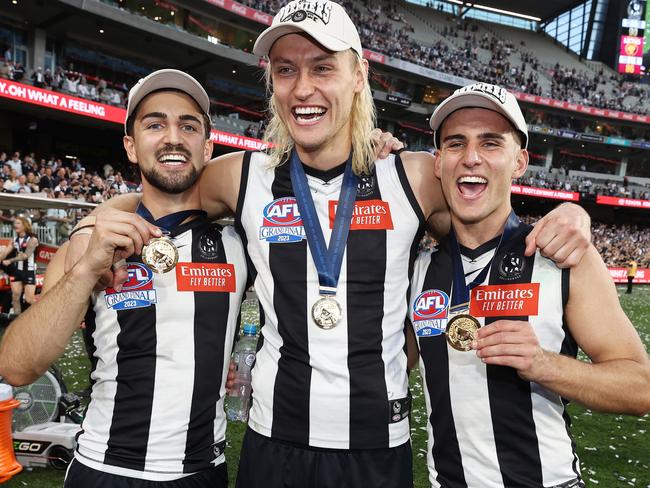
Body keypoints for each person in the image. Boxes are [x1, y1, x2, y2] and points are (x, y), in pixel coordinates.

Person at [67, 3, 591, 486]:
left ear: (358, 75)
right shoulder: (239, 177)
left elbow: (490, 215)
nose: (302, 88)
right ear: (272, 84)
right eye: (286, 70)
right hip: (274, 440)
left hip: (375, 446)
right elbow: (156, 193)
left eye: (322, 67)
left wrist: (572, 212)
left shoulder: (412, 175)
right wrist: (91, 221)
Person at [0, 69, 248, 487]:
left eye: (188, 126)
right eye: (155, 124)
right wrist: (84, 270)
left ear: (207, 147)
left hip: (203, 472)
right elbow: (16, 367)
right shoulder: (88, 244)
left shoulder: (240, 240)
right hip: (105, 470)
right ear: (131, 146)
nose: (172, 137)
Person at [407, 82, 650, 488]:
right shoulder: (415, 269)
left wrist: (544, 365)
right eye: (455, 143)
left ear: (519, 162)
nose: (471, 158)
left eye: (490, 143)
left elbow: (640, 387)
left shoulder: (563, 257)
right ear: (438, 163)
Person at [0, 216, 38, 314]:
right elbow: (4, 253)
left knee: (29, 299)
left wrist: (10, 261)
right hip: (17, 271)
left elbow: (26, 255)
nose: (15, 225)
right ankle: (17, 320)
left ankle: (44, 313)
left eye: (18, 223)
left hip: (28, 272)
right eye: (15, 223)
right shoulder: (14, 240)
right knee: (15, 297)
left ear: (25, 226)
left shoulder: (32, 239)